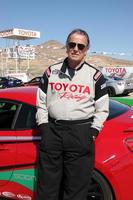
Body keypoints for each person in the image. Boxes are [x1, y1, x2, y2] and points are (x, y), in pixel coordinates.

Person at [35, 28, 109, 200]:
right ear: (66, 46)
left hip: (80, 134)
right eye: (72, 44)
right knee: (47, 188)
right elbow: (40, 103)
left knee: (76, 190)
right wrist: (44, 127)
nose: (76, 48)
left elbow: (102, 109)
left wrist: (93, 132)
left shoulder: (96, 76)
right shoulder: (50, 72)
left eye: (81, 46)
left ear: (86, 49)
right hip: (52, 132)